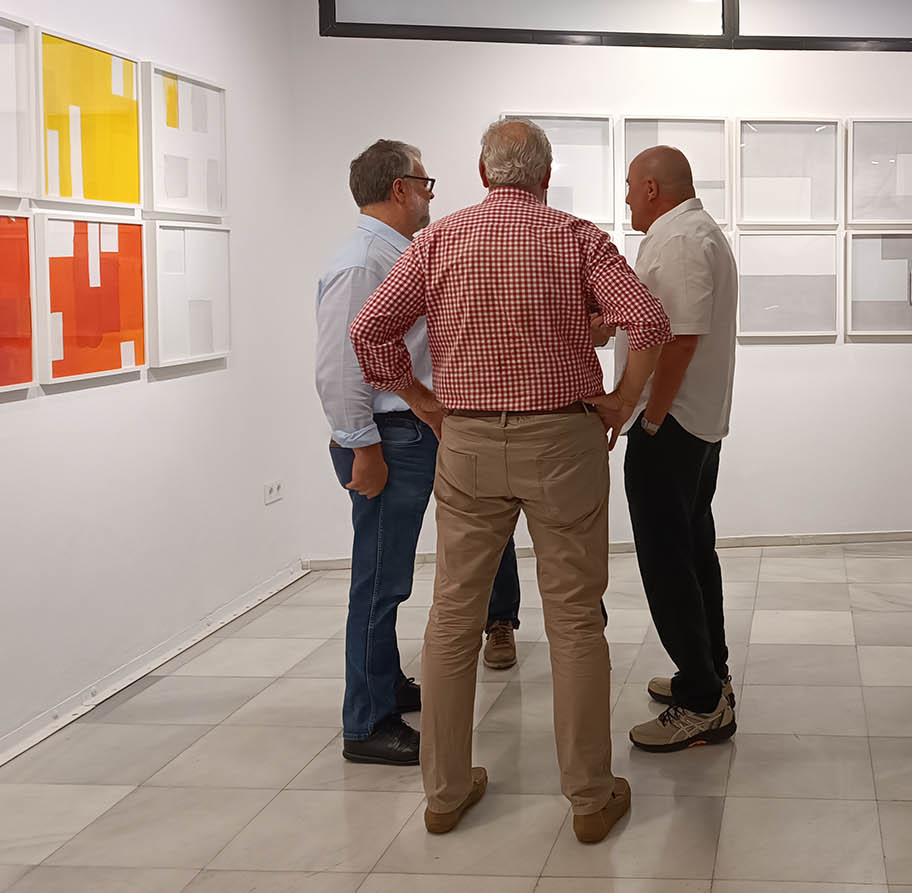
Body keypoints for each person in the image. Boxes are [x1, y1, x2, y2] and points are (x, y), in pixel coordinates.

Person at [349, 118, 671, 840]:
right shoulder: (577, 238)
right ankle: (589, 797)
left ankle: (444, 792)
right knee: (575, 617)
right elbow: (648, 322)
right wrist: (623, 399)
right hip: (562, 441)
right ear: (546, 176)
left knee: (453, 615)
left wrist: (422, 400)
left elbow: (369, 329)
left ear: (482, 173)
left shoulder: (437, 240)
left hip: (465, 442)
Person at [315, 139, 523, 767]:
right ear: (400, 188)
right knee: (379, 583)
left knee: (392, 579)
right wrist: (363, 448)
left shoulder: (396, 253)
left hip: (409, 431)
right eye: (426, 184)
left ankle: (387, 685)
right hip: (387, 437)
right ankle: (366, 723)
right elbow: (339, 368)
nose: (432, 195)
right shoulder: (361, 263)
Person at [615, 146, 739, 752]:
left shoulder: (683, 239)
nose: (627, 199)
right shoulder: (687, 233)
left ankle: (702, 703)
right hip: (691, 425)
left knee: (669, 563)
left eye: (631, 187)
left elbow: (682, 339)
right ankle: (707, 676)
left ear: (653, 188)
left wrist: (653, 418)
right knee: (691, 553)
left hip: (674, 427)